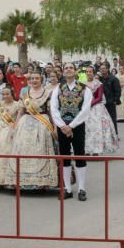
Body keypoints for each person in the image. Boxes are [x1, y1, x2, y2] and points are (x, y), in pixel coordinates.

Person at [50, 64, 93, 200]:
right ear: (62, 72)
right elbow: (54, 108)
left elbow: (86, 109)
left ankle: (81, 188)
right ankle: (67, 188)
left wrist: (72, 126)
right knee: (64, 156)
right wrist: (62, 125)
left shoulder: (85, 89)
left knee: (80, 155)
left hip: (78, 126)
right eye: (66, 68)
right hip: (62, 126)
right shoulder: (58, 88)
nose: (68, 69)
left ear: (75, 72)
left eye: (71, 68)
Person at [8, 72, 58, 189]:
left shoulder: (48, 94)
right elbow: (20, 111)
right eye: (32, 78)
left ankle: (42, 182)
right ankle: (22, 181)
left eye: (37, 78)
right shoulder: (25, 94)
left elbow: (52, 113)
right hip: (25, 124)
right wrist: (16, 126)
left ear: (41, 80)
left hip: (42, 123)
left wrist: (55, 128)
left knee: (40, 150)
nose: (34, 80)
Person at [85, 72, 120, 155]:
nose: (89, 73)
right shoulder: (83, 84)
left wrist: (90, 104)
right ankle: (87, 149)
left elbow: (99, 97)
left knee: (97, 128)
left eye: (90, 71)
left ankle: (97, 149)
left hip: (97, 108)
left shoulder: (98, 83)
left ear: (93, 73)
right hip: (85, 108)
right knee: (86, 129)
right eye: (87, 72)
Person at [98, 64, 121, 130]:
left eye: (104, 68)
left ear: (107, 69)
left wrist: (114, 100)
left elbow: (118, 91)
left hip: (111, 102)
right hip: (102, 103)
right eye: (101, 68)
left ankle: (115, 135)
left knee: (112, 119)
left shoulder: (114, 79)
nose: (102, 70)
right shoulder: (100, 79)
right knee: (103, 120)